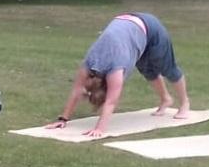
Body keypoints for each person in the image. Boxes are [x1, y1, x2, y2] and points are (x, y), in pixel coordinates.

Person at [46, 13, 191, 137]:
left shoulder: (115, 71)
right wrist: (62, 119)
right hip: (127, 28)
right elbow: (77, 90)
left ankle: (185, 103)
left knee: (167, 69)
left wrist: (100, 129)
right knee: (147, 69)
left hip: (150, 27)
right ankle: (166, 99)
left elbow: (111, 102)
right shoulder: (88, 67)